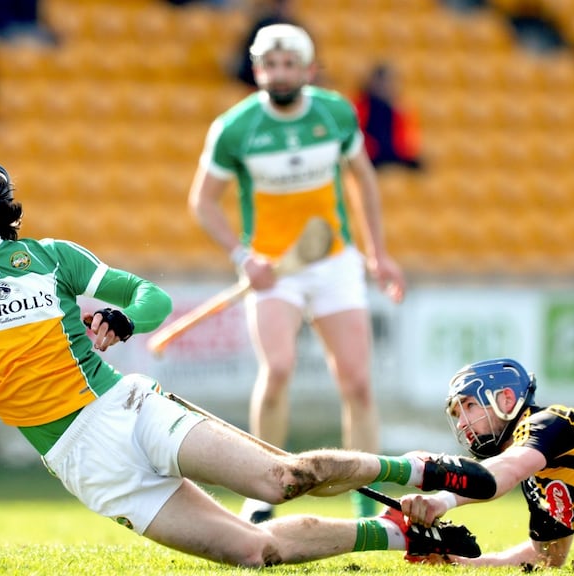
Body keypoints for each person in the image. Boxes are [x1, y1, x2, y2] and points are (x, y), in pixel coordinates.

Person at [0, 154, 491, 568]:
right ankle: (406, 539)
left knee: (277, 480)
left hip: (125, 409)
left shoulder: (49, 257)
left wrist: (115, 314)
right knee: (259, 552)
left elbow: (148, 300)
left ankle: (418, 473)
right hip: (83, 463)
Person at [187, 24, 407, 522]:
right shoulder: (234, 128)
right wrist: (242, 257)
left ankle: (365, 496)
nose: (280, 73)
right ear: (258, 69)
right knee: (279, 368)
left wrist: (379, 254)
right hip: (273, 270)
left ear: (309, 69)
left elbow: (364, 183)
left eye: (290, 64)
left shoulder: (334, 113)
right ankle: (263, 488)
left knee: (356, 381)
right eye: (271, 64)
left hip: (332, 261)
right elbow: (202, 202)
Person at [399, 358, 574, 568]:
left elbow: (507, 468)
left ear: (506, 399)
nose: (462, 423)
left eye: (470, 405)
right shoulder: (535, 478)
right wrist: (456, 562)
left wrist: (442, 500)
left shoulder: (546, 423)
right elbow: (547, 556)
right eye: (457, 415)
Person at [352, 63, 423, 170]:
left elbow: (406, 142)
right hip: (370, 155)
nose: (385, 86)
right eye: (382, 81)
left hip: (393, 155)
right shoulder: (361, 105)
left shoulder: (397, 108)